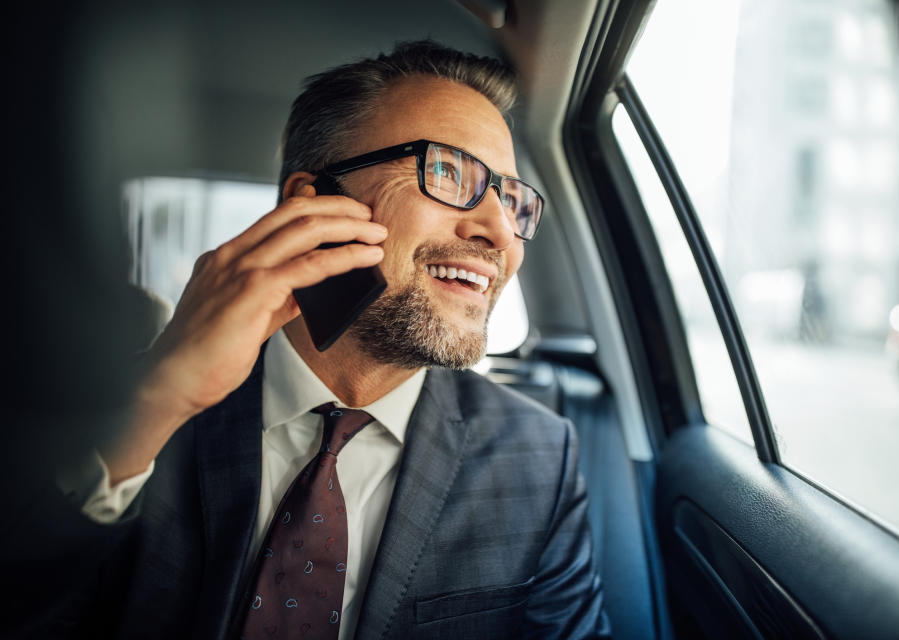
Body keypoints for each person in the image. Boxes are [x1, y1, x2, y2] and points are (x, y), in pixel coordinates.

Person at [46, 40, 609, 639]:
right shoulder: (125, 409)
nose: (500, 232)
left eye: (513, 199)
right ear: (310, 207)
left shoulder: (541, 458)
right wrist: (156, 403)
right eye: (446, 170)